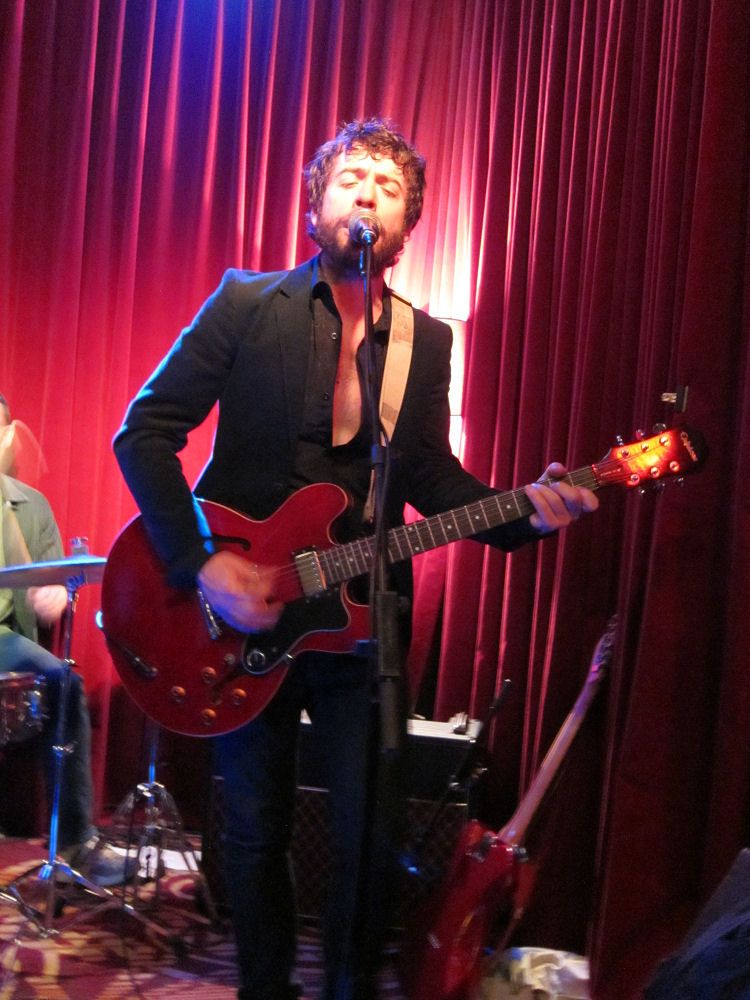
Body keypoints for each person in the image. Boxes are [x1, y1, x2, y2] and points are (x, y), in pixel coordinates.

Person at [113, 118, 598, 1000]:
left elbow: (431, 479)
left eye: (388, 185)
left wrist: (527, 512)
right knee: (254, 828)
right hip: (240, 615)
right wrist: (203, 565)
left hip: (360, 622)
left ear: (408, 225)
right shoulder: (245, 304)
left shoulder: (426, 341)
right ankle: (265, 988)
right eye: (349, 179)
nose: (367, 193)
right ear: (315, 206)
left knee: (372, 834)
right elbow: (144, 433)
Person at [0, 393, 136, 886]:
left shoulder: (30, 506)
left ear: (8, 435)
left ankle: (78, 843)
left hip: (4, 639)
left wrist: (54, 595)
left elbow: (53, 579)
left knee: (65, 682)